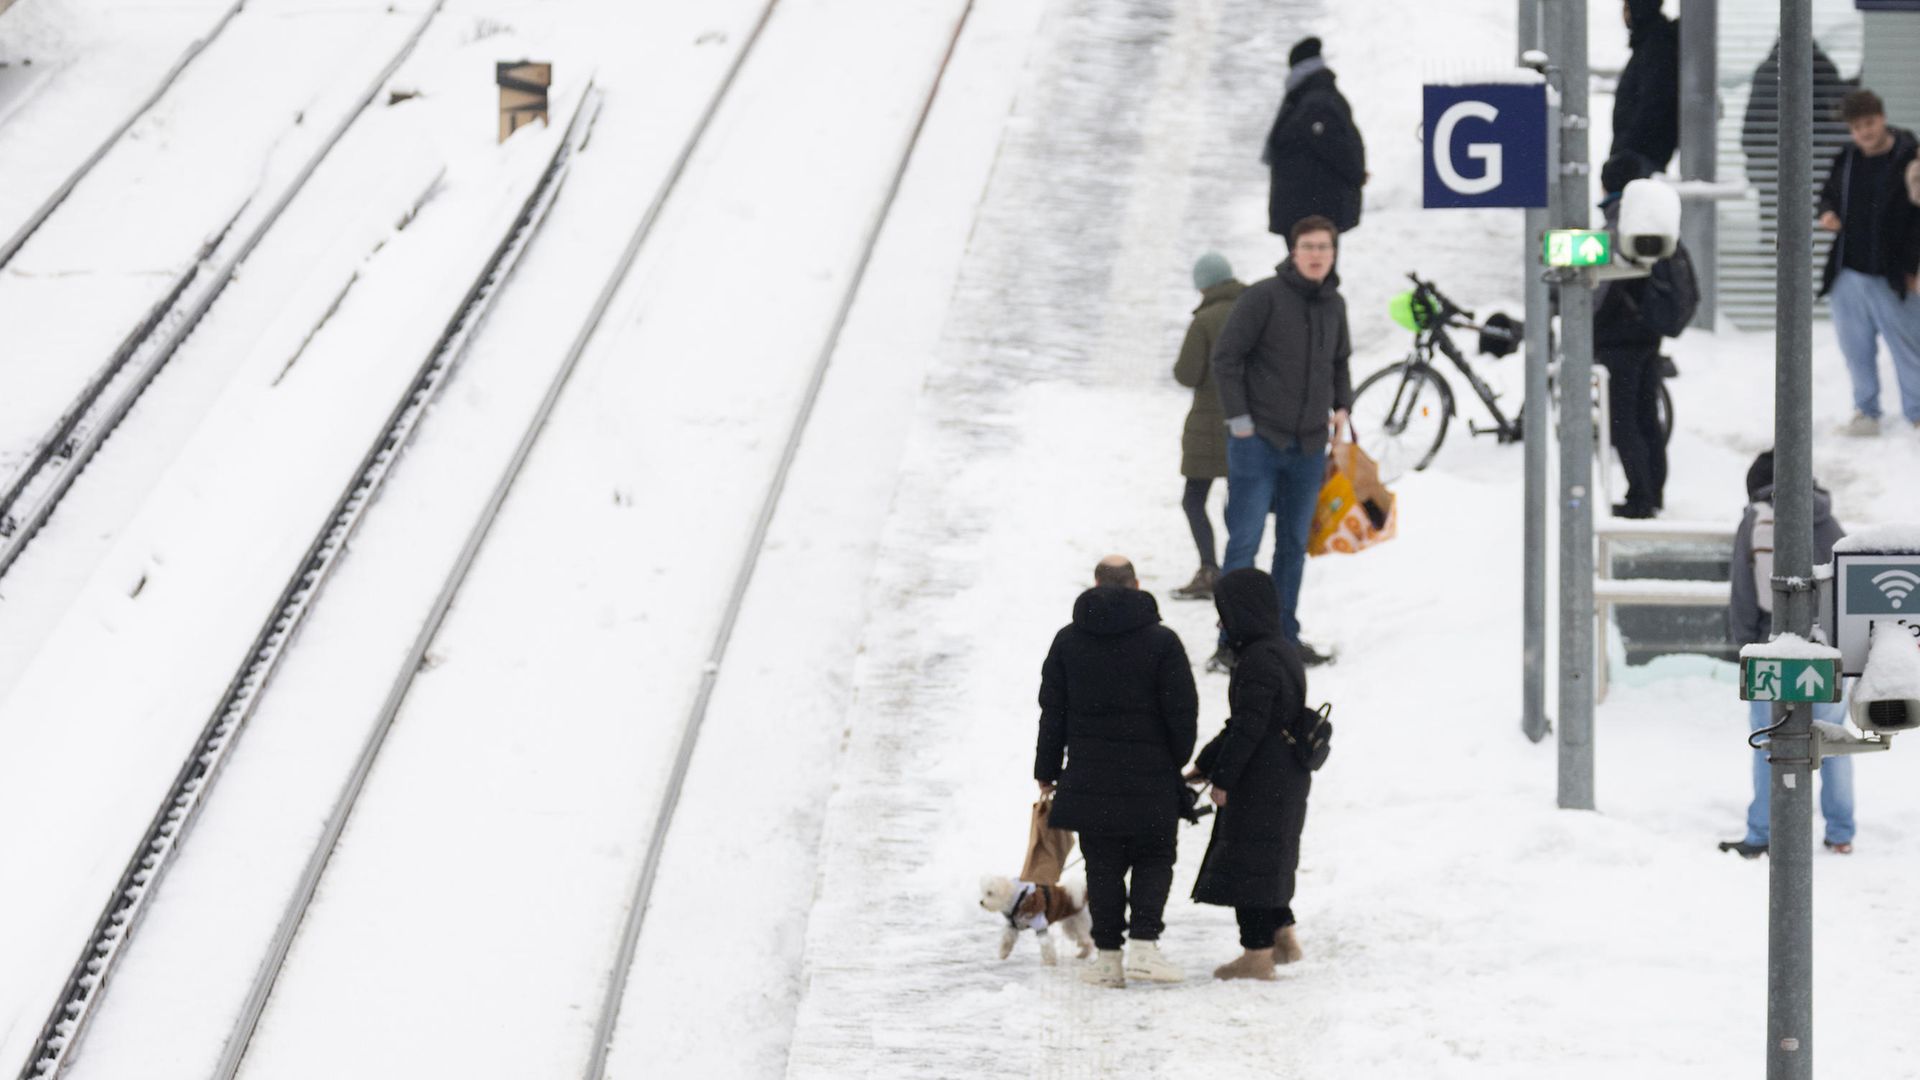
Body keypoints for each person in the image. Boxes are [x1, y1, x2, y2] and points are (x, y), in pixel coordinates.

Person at [1035, 556, 1199, 988]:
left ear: (1095, 584)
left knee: (1102, 865)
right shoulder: (1163, 642)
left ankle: (1108, 959)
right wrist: (1173, 760)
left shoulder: (1068, 641)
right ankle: (1145, 948)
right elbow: (1183, 712)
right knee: (1154, 857)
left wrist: (1047, 770)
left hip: (1090, 777)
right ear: (1136, 584)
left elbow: (1052, 712)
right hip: (1153, 776)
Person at [1210, 217, 1353, 670]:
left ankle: (1284, 637)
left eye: (1323, 248)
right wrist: (1240, 421)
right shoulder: (1263, 297)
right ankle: (1232, 642)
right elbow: (1226, 357)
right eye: (1307, 246)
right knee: (1244, 544)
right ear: (1293, 252)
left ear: (1333, 254)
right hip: (1257, 442)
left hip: (1309, 448)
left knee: (1292, 545)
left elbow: (1340, 362)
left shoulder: (1335, 305)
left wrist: (1342, 405)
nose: (1315, 255)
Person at [1719, 452, 1855, 857]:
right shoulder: (1829, 521)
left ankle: (1763, 832)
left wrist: (1744, 641)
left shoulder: (1757, 518)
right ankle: (1841, 830)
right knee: (1833, 744)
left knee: (1769, 743)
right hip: (1829, 650)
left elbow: (1743, 588)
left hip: (1772, 648)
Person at [1185, 568, 1313, 981]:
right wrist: (1206, 765)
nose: (1221, 622)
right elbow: (1249, 721)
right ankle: (1282, 937)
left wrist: (1222, 780)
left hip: (1261, 777)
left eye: (1224, 611)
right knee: (1269, 858)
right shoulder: (1281, 649)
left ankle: (1256, 955)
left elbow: (1247, 728)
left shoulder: (1257, 660)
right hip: (1284, 774)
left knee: (1250, 860)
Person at [1593, 153, 1694, 518]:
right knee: (1646, 417)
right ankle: (1653, 494)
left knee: (1624, 421)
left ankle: (1640, 498)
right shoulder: (1652, 218)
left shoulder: (1619, 220)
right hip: (1647, 332)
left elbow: (1599, 288)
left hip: (1619, 337)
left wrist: (1579, 319)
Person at [1818, 89, 1920, 436]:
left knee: (1909, 348)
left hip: (1895, 275)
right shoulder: (1846, 159)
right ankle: (1866, 411)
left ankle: (1917, 412)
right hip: (1849, 272)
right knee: (1855, 349)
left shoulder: (1910, 157)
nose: (1865, 132)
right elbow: (1828, 194)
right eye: (1857, 127)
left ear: (1882, 117)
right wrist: (1828, 213)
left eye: (1869, 123)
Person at [1171, 253, 1247, 601]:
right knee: (1240, 501)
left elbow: (1187, 373)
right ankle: (1240, 570)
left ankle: (1209, 569)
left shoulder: (1205, 320)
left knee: (1194, 499)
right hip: (1249, 422)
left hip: (1207, 427)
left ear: (1202, 284)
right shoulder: (1255, 310)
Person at [1740, 38, 1852, 247]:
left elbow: (1749, 129)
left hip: (1771, 164)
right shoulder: (1824, 71)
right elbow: (1835, 119)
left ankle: (1771, 255)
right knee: (1809, 215)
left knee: (1773, 217)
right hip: (1812, 164)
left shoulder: (1766, 72)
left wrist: (1756, 156)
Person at [1261, 37, 1365, 246]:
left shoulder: (1314, 101)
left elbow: (1337, 149)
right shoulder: (1311, 95)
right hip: (1309, 209)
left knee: (1313, 270)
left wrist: (1356, 175)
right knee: (1308, 271)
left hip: (1312, 212)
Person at [1611, 0, 1680, 173]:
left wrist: (1626, 150)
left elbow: (1653, 104)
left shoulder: (1656, 46)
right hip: (1638, 156)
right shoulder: (1650, 43)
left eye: (1627, 7)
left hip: (1639, 160)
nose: (1624, 13)